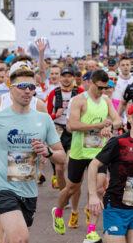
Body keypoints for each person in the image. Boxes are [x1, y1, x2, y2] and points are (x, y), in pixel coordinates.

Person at [0, 69, 65, 243]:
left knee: (11, 238)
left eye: (31, 86)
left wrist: (48, 152)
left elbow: (62, 157)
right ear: (10, 88)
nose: (27, 91)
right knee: (20, 238)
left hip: (29, 191)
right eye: (22, 86)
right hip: (2, 187)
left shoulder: (43, 119)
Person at [52, 70, 122, 243]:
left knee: (98, 190)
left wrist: (110, 126)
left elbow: (118, 120)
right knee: (72, 189)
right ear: (91, 82)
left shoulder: (106, 100)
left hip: (99, 153)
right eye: (100, 87)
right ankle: (58, 211)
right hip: (79, 152)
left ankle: (91, 231)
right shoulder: (79, 100)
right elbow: (72, 125)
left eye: (106, 88)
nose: (102, 91)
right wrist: (98, 125)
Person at [87, 99, 133, 243]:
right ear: (130, 118)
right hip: (115, 206)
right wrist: (93, 196)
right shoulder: (119, 142)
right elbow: (93, 165)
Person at [46, 67, 84, 190]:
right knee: (59, 168)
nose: (66, 79)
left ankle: (71, 188)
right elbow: (46, 115)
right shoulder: (54, 93)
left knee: (69, 163)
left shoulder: (81, 91)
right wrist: (55, 115)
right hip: (58, 130)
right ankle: (63, 194)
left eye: (69, 76)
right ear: (60, 78)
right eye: (64, 76)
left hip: (73, 129)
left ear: (73, 78)